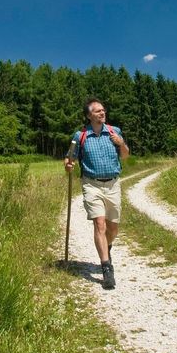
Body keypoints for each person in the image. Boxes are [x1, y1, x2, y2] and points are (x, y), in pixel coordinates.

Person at [64, 98, 129, 289]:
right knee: (99, 224)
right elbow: (69, 157)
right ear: (89, 115)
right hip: (91, 185)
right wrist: (68, 165)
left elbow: (125, 155)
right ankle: (106, 268)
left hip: (113, 185)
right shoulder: (80, 135)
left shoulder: (114, 132)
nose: (102, 113)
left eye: (103, 110)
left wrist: (121, 143)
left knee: (113, 228)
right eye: (98, 111)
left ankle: (107, 248)